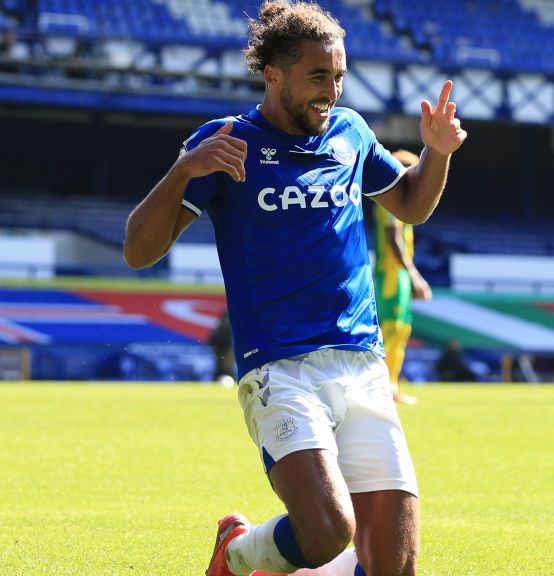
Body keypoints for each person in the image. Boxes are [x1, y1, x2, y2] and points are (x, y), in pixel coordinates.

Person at [122, 2, 467, 575]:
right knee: (328, 529)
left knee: (395, 565)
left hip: (362, 364)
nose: (330, 91)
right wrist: (184, 170)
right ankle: (236, 554)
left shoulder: (351, 132)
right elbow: (138, 250)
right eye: (316, 77)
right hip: (278, 368)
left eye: (338, 76)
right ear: (273, 74)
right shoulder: (227, 141)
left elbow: (409, 202)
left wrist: (437, 152)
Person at [374, 149, 432, 405]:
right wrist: (414, 276)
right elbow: (393, 239)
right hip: (390, 273)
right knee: (391, 329)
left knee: (400, 329)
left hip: (396, 272)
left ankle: (391, 385)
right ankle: (382, 387)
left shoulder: (399, 201)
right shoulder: (392, 200)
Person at [209, 310, 235, 387]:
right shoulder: (219, 330)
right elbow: (212, 341)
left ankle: (227, 379)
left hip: (227, 352)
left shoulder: (229, 330)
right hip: (221, 352)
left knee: (227, 367)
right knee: (222, 367)